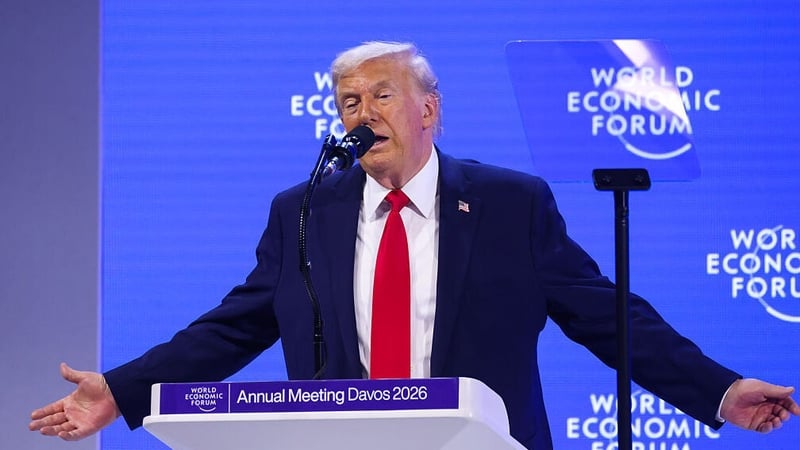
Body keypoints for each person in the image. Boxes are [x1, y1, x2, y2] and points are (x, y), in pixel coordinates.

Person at [30, 41, 799, 450]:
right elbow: (234, 326)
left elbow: (610, 318)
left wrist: (721, 390)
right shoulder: (303, 211)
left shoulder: (509, 204)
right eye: (348, 101)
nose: (361, 113)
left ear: (430, 109)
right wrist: (124, 390)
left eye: (381, 95)